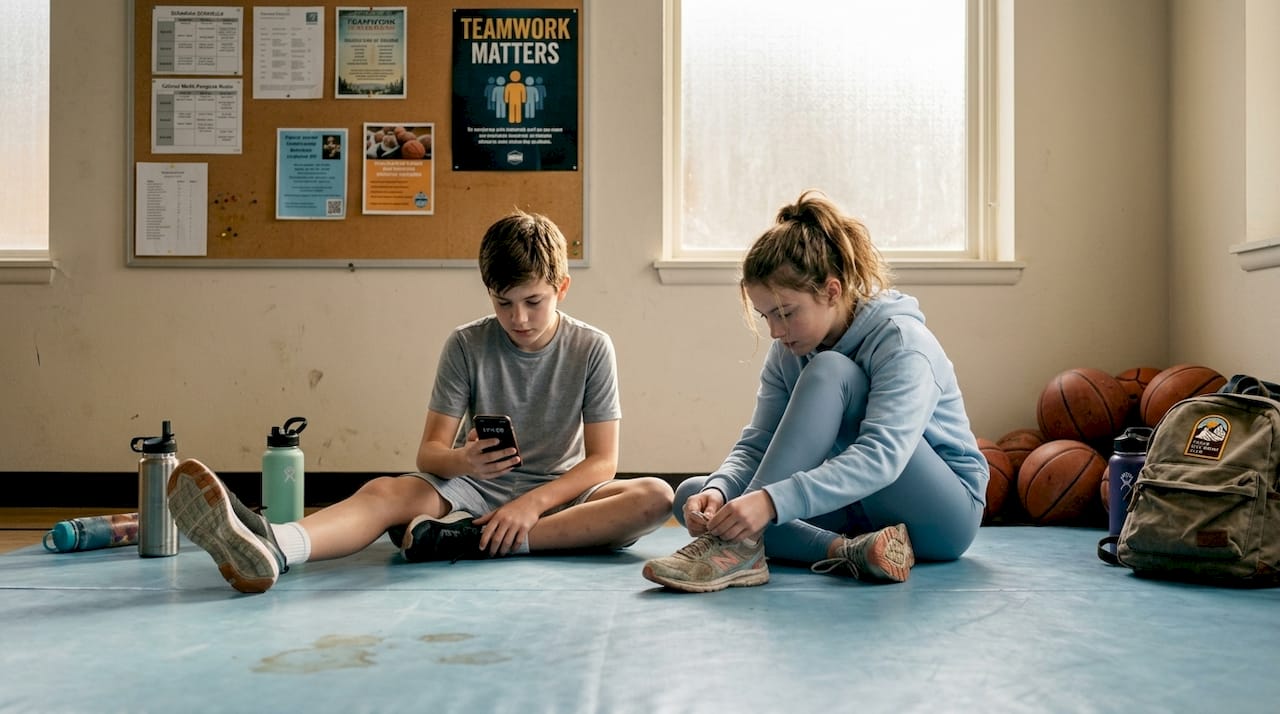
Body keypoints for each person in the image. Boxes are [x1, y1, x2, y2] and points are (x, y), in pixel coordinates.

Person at [167, 210, 674, 594]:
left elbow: (603, 462)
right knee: (388, 492)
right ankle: (278, 545)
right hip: (475, 489)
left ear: (561, 288)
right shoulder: (466, 344)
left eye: (533, 301)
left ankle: (477, 541)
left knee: (654, 497)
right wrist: (462, 459)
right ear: (488, 294)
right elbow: (429, 454)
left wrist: (529, 506)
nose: (518, 318)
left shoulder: (591, 346)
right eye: (503, 303)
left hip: (557, 498)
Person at [642, 190, 988, 593]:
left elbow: (882, 458)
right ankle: (849, 551)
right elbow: (759, 443)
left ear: (832, 291)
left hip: (942, 517)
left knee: (831, 371)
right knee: (696, 496)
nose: (775, 330)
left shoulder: (902, 340)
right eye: (766, 315)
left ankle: (743, 547)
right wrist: (721, 490)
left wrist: (768, 503)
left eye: (786, 313)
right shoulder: (788, 349)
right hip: (859, 511)